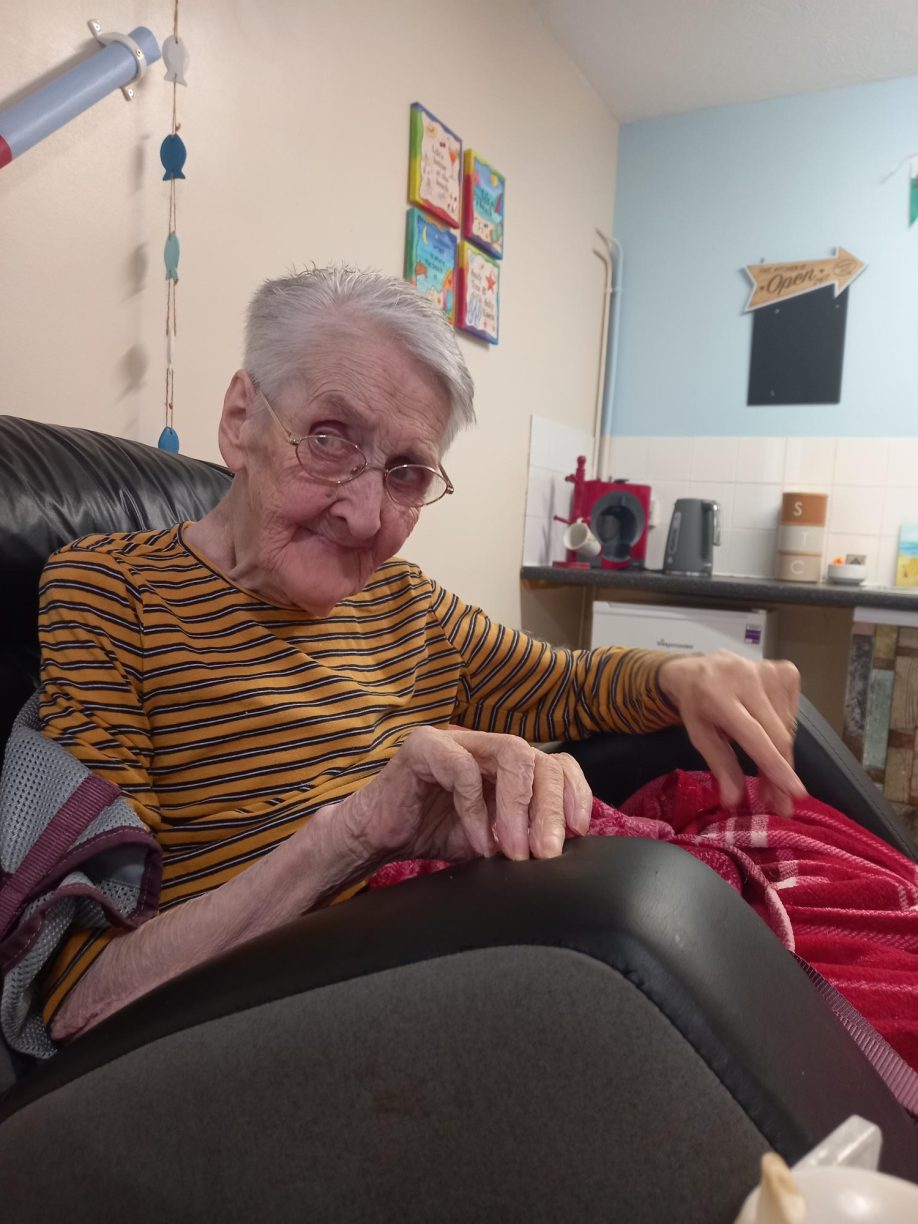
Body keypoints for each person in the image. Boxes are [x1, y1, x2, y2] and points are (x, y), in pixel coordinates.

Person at [34, 266, 804, 1044]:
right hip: (271, 1031)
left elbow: (569, 686)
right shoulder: (109, 596)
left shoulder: (405, 604)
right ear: (241, 421)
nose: (367, 516)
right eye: (330, 439)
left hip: (467, 954)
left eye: (406, 472)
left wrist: (683, 672)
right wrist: (358, 832)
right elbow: (82, 999)